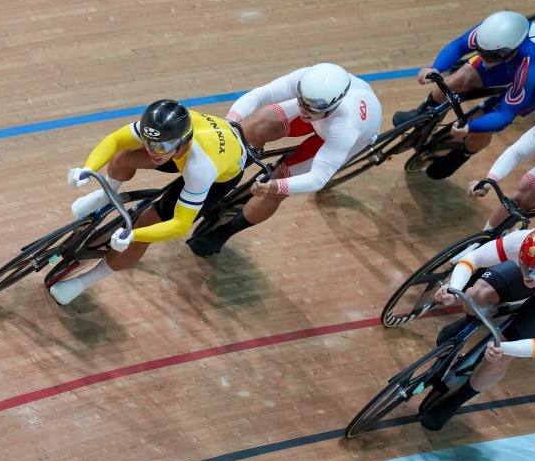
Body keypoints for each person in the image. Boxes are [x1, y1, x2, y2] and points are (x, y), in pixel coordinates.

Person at [49, 99, 246, 304]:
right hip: (182, 150)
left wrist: (134, 235)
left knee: (146, 223)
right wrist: (88, 169)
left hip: (217, 175)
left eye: (160, 146)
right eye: (148, 142)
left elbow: (180, 224)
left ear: (182, 142)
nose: (152, 151)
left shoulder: (200, 169)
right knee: (123, 156)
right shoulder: (161, 127)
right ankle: (106, 194)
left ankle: (83, 282)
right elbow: (116, 140)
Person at [186, 63, 382, 257]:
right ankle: (226, 177)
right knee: (253, 128)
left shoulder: (346, 127)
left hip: (339, 136)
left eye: (311, 108)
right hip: (323, 119)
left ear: (333, 105)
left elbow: (319, 177)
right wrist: (230, 122)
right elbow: (259, 95)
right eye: (302, 101)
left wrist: (274, 186)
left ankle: (224, 232)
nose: (304, 111)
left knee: (278, 185)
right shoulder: (307, 83)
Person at [419, 227, 535, 431]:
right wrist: (455, 289)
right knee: (477, 293)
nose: (529, 277)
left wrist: (505, 349)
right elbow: (472, 259)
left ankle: (455, 401)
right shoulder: (521, 243)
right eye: (525, 266)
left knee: (500, 358)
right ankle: (468, 322)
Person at [390, 11, 535, 180]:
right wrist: (435, 68)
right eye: (481, 51)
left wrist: (470, 127)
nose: (485, 59)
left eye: (491, 56)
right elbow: (459, 46)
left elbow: (504, 114)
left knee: (484, 121)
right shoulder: (491, 32)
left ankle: (460, 155)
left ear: (510, 50)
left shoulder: (532, 67)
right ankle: (422, 112)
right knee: (460, 79)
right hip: (514, 57)